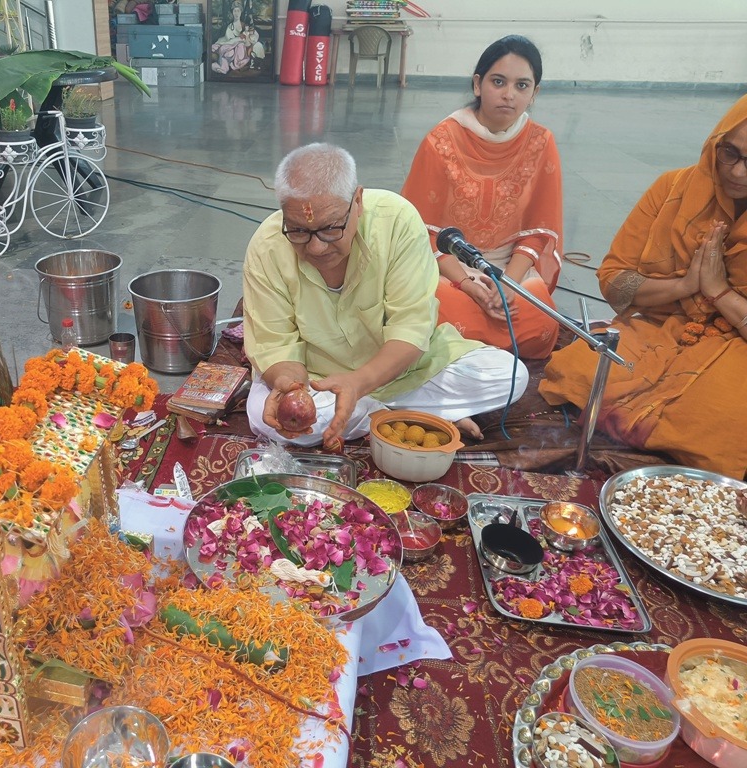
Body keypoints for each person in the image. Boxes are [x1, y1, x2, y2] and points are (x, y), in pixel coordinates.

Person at [243, 143, 529, 450]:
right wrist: (291, 386)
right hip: (315, 380)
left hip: (401, 370)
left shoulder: (397, 221)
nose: (316, 247)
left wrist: (357, 384)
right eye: (298, 231)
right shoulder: (267, 246)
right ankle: (407, 416)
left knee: (509, 375)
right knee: (264, 417)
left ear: (358, 201)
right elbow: (275, 344)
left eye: (329, 229)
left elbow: (411, 328)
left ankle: (368, 412)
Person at [540, 95, 747, 478]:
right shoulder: (673, 188)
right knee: (578, 367)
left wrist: (719, 291)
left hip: (737, 343)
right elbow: (615, 281)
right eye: (728, 153)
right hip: (663, 324)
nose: (736, 172)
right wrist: (686, 284)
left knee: (724, 421)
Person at [401, 35, 563, 360]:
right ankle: (476, 342)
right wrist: (468, 285)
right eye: (498, 81)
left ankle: (471, 348)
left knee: (541, 318)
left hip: (508, 268)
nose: (508, 94)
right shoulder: (441, 141)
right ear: (478, 84)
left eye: (522, 86)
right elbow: (423, 233)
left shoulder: (541, 142)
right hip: (449, 267)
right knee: (438, 312)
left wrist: (506, 287)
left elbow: (537, 233)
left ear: (534, 94)